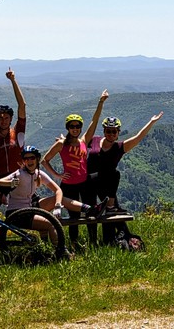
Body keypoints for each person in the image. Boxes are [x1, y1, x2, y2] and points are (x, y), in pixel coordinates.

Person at [0, 146, 107, 254]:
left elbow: (58, 190)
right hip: (17, 213)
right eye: (26, 159)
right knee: (51, 223)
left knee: (60, 199)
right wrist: (10, 183)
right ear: (23, 161)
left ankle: (91, 210)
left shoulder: (39, 174)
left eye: (32, 158)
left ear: (37, 159)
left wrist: (57, 206)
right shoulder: (19, 174)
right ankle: (61, 252)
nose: (29, 161)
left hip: (30, 208)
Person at [42, 89, 109, 247]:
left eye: (78, 126)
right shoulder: (61, 144)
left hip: (85, 182)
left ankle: (93, 242)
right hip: (69, 185)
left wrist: (101, 102)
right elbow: (45, 160)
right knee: (73, 217)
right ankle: (74, 243)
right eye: (72, 126)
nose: (75, 128)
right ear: (68, 127)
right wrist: (57, 175)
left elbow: (94, 121)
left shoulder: (84, 141)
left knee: (91, 212)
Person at [88, 112, 164, 214]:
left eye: (114, 132)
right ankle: (110, 207)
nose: (111, 134)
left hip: (106, 184)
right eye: (108, 131)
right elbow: (78, 143)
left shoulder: (119, 147)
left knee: (115, 212)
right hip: (89, 180)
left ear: (118, 132)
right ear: (104, 131)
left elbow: (138, 137)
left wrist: (151, 122)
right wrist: (64, 141)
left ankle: (122, 228)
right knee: (114, 175)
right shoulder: (94, 140)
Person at [0, 68, 26, 210]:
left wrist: (13, 80)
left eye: (6, 118)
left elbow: (22, 105)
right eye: (0, 118)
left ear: (11, 119)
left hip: (20, 179)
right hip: (2, 181)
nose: (3, 121)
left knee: (29, 212)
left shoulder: (18, 131)